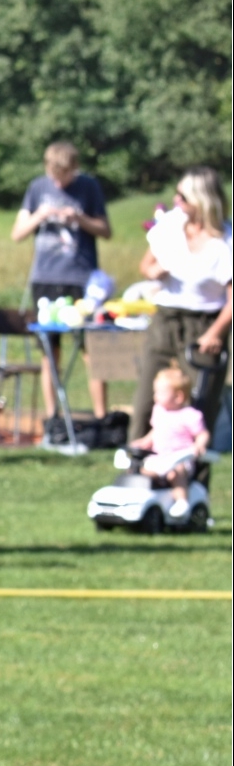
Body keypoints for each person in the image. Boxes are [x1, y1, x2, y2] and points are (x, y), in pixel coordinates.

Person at [130, 167, 231, 443]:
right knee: (147, 399)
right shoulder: (171, 227)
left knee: (199, 404)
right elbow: (146, 265)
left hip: (204, 324)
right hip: (166, 320)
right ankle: (139, 460)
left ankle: (192, 466)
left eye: (183, 196)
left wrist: (215, 334)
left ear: (202, 199)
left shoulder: (225, 241)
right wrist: (154, 272)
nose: (176, 200)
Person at [12, 142, 112, 418]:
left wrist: (79, 218)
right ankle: (52, 416)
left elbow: (105, 230)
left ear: (74, 168)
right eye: (54, 175)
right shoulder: (37, 188)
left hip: (81, 278)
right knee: (49, 351)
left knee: (92, 348)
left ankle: (101, 416)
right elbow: (17, 233)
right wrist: (40, 215)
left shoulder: (89, 187)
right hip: (45, 278)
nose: (59, 182)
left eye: (64, 175)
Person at [138, 364, 211, 517]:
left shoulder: (189, 415)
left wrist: (199, 445)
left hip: (180, 460)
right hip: (159, 458)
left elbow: (202, 434)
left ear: (178, 396)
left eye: (160, 392)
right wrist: (145, 441)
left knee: (175, 472)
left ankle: (182, 501)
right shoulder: (159, 411)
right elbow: (156, 430)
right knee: (139, 469)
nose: (155, 396)